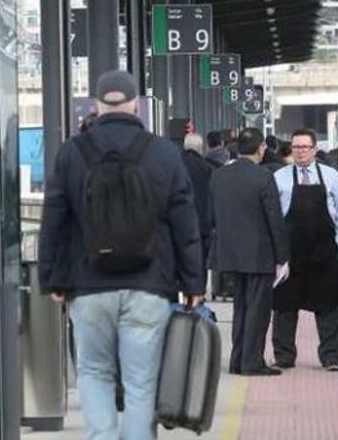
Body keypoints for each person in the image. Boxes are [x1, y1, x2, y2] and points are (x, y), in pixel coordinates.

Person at [39, 70, 205, 439]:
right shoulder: (163, 152)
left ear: (98, 104)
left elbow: (54, 220)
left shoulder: (72, 152)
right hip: (151, 285)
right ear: (134, 105)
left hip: (89, 284)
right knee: (141, 381)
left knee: (94, 373)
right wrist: (194, 281)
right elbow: (185, 221)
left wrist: (53, 278)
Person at [209, 128, 290, 376]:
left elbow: (212, 215)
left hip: (230, 254)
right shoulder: (263, 176)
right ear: (260, 149)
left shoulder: (219, 176)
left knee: (240, 308)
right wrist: (282, 257)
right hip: (258, 255)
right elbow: (274, 219)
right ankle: (252, 361)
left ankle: (237, 360)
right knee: (257, 309)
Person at [271, 128, 338, 372]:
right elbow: (274, 215)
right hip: (291, 253)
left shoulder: (332, 176)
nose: (300, 152)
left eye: (305, 147)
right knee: (284, 306)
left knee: (330, 306)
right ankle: (284, 356)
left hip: (326, 251)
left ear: (314, 150)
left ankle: (330, 358)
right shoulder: (280, 177)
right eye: (296, 147)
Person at [181, 133, 217, 271]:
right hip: (203, 225)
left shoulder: (175, 166)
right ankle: (198, 291)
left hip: (180, 222)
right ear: (201, 148)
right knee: (200, 265)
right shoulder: (209, 169)